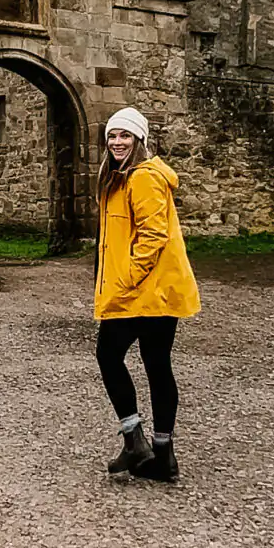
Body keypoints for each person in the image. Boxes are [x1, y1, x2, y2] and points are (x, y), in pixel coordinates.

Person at [94, 108, 201, 482]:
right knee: (156, 364)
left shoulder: (142, 178)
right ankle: (162, 455)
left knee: (109, 356)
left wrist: (124, 281)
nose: (117, 142)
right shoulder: (121, 177)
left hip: (144, 292)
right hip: (154, 291)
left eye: (125, 136)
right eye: (112, 136)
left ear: (140, 139)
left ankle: (135, 438)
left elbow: (152, 238)